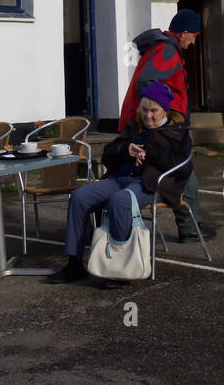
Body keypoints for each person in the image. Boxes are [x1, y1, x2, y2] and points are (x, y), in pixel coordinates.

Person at [48, 81, 194, 284]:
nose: (148, 116)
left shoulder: (177, 131)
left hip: (153, 185)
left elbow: (183, 168)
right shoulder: (135, 126)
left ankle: (119, 267)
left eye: (154, 111)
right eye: (145, 110)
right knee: (80, 197)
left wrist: (151, 153)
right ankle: (74, 265)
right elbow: (108, 155)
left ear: (165, 111)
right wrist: (126, 150)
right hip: (121, 179)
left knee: (121, 200)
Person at [118, 9, 214, 243]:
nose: (194, 41)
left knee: (173, 168)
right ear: (184, 33)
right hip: (160, 127)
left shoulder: (163, 49)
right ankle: (189, 227)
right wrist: (164, 115)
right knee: (180, 167)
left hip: (152, 124)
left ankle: (188, 225)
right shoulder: (168, 51)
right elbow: (146, 82)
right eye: (194, 36)